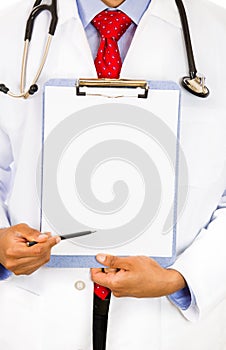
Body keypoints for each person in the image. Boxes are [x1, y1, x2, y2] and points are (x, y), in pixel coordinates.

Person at [0, 0, 226, 349]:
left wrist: (180, 279)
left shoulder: (218, 30)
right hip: (34, 315)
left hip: (169, 323)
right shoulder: (8, 27)